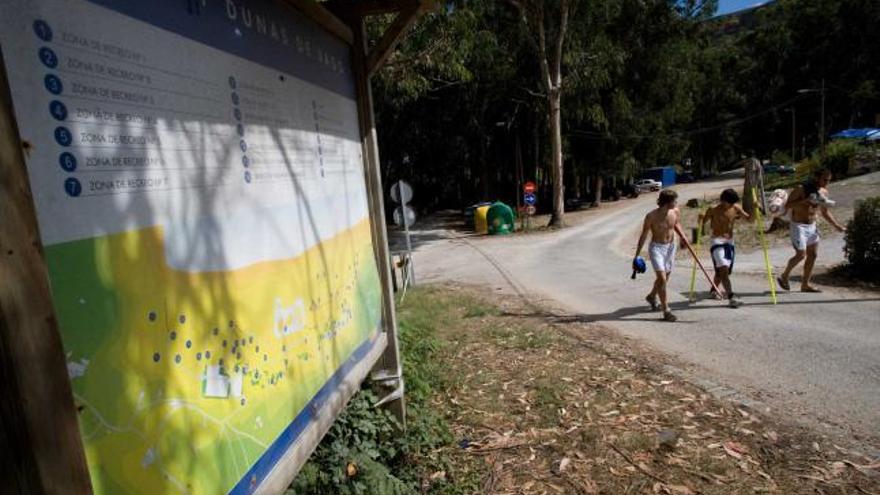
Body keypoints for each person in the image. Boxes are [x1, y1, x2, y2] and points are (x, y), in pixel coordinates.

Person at [777, 168, 846, 292]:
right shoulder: (801, 189)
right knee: (800, 255)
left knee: (813, 255)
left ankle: (805, 285)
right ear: (816, 177)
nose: (827, 183)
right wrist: (805, 200)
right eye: (824, 179)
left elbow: (825, 212)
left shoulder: (824, 192)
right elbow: (788, 205)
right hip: (798, 226)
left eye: (829, 180)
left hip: (812, 226)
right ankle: (784, 275)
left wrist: (836, 226)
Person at [634, 189, 686, 322]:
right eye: (674, 200)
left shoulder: (675, 211)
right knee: (662, 279)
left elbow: (676, 224)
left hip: (670, 247)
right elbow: (644, 234)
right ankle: (666, 311)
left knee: (665, 278)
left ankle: (651, 296)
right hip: (657, 248)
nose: (676, 202)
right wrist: (637, 255)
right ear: (667, 202)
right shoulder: (651, 216)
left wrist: (683, 238)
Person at [700, 189, 750, 307]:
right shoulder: (713, 209)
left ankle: (713, 290)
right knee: (723, 267)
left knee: (724, 271)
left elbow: (750, 220)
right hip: (716, 241)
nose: (732, 205)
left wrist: (755, 208)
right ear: (723, 200)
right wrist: (700, 219)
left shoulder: (736, 208)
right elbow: (702, 224)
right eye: (730, 202)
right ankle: (731, 297)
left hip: (729, 242)